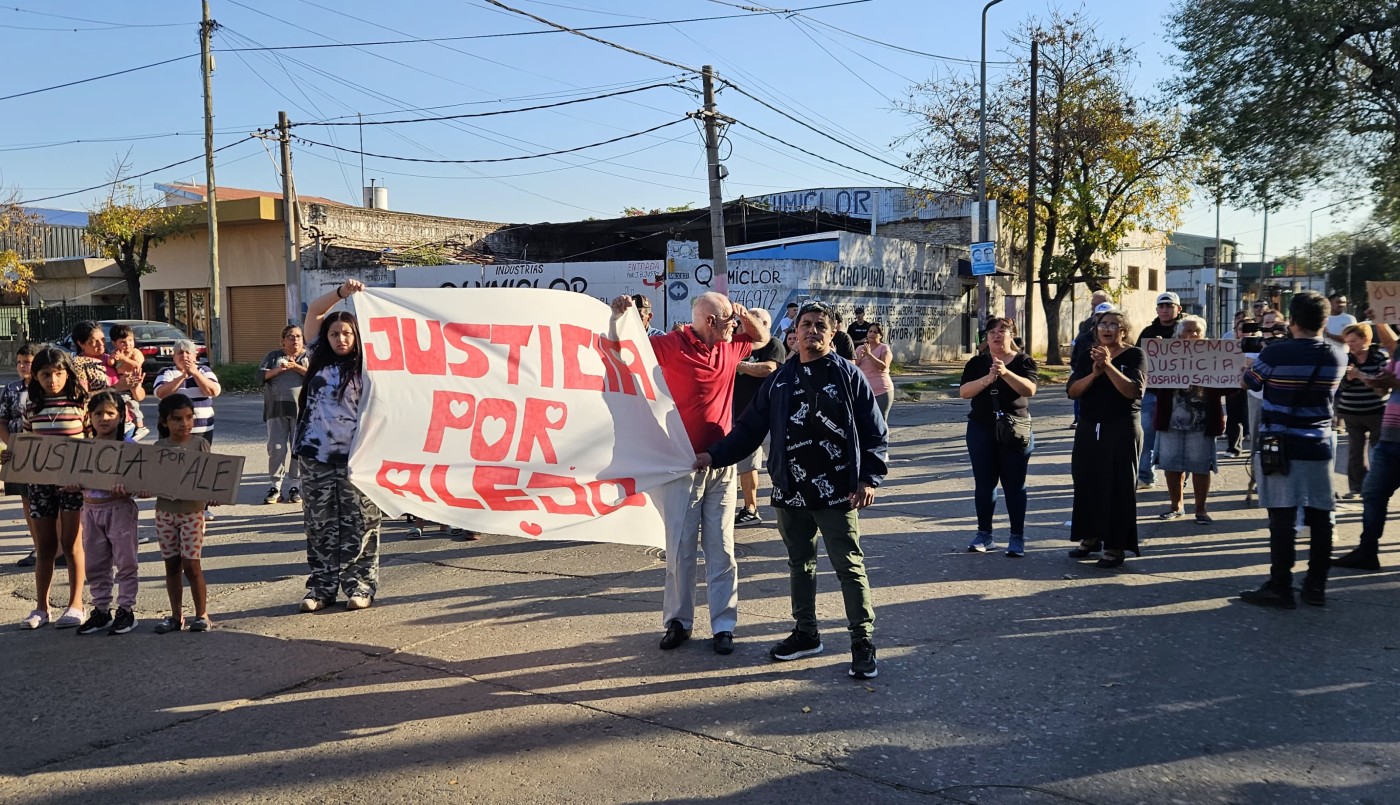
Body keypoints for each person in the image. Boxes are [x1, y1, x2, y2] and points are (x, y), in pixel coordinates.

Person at [695, 299, 889, 679]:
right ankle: (806, 633)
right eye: (805, 324)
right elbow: (749, 429)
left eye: (820, 325)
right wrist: (712, 456)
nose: (812, 330)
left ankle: (862, 643)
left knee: (848, 567)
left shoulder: (848, 376)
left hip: (837, 493)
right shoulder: (780, 379)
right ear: (794, 331)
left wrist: (869, 479)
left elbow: (874, 431)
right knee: (800, 565)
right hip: (790, 492)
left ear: (832, 334)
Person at [610, 290, 768, 656]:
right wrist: (622, 315)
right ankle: (678, 622)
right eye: (728, 319)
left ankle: (723, 625)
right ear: (710, 322)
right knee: (680, 549)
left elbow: (761, 337)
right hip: (682, 466)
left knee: (722, 548)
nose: (735, 325)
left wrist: (741, 314)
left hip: (722, 465)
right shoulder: (671, 345)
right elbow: (623, 350)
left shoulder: (733, 343)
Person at [1239, 291, 1345, 608]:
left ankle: (1281, 586)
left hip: (1279, 444)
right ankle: (1316, 586)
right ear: (1325, 321)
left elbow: (1250, 382)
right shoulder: (1337, 354)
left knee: (1282, 516)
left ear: (1292, 320)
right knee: (1321, 515)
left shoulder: (1276, 353)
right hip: (1319, 443)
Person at [295, 280, 382, 613]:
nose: (340, 338)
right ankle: (321, 587)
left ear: (356, 336)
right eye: (335, 334)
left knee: (360, 523)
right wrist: (342, 294)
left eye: (347, 333)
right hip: (315, 456)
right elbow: (316, 311)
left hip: (356, 458)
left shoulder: (370, 366)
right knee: (320, 524)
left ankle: (360, 585)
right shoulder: (317, 357)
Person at [15, 347, 89, 629]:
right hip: (41, 486)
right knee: (44, 546)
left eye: (58, 374)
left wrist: (83, 479)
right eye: (46, 374)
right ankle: (41, 608)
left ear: (67, 374)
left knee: (71, 544)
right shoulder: (31, 409)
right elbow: (26, 447)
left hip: (73, 486)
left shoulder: (81, 405)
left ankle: (76, 604)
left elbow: (95, 445)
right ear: (36, 376)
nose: (53, 380)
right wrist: (12, 457)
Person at [1066, 309, 1145, 568]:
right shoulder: (1088, 355)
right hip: (1090, 427)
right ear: (1096, 329)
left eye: (1114, 325)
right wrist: (1095, 372)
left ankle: (1115, 545)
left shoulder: (1135, 355)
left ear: (1123, 331)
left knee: (1118, 487)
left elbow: (1133, 391)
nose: (1108, 328)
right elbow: (1073, 391)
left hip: (1121, 428)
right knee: (1086, 481)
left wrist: (1109, 366)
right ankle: (1090, 537)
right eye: (1103, 324)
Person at [959, 316, 1037, 556]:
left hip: (1015, 428)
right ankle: (984, 534)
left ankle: (1017, 537)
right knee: (984, 484)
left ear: (1011, 335)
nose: (996, 335)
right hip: (981, 428)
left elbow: (1029, 389)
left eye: (1002, 330)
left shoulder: (1024, 361)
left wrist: (1004, 373)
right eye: (992, 331)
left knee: (1015, 485)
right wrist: (988, 378)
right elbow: (964, 392)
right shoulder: (976, 363)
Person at [1334, 318, 1400, 571]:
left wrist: (1384, 380)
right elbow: (1386, 386)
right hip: (1391, 437)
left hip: (1387, 432)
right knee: (1373, 493)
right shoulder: (1397, 350)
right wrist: (1377, 381)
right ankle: (1367, 552)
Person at [1152, 316, 1230, 524]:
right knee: (1171, 465)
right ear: (1178, 334)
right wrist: (1156, 357)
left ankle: (1201, 509)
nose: (1193, 335)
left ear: (1204, 335)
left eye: (1197, 331)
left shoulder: (1214, 356)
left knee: (1201, 466)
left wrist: (1237, 374)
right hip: (1171, 420)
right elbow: (1151, 382)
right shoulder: (1167, 354)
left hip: (1203, 422)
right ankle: (1176, 506)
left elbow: (1228, 388)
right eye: (1188, 331)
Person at [75, 391, 141, 636]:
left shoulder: (130, 448)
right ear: (89, 416)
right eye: (98, 413)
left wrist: (131, 487)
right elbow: (74, 476)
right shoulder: (82, 448)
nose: (104, 418)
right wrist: (74, 484)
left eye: (110, 413)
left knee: (125, 561)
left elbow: (142, 481)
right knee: (95, 563)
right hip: (90, 510)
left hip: (119, 509)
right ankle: (101, 610)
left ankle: (126, 610)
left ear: (121, 416)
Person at [151, 393, 215, 632]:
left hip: (192, 513)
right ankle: (176, 616)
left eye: (189, 418)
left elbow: (211, 477)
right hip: (165, 513)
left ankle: (202, 615)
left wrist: (215, 494)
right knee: (171, 565)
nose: (184, 424)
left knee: (192, 565)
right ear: (165, 421)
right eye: (177, 419)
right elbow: (151, 479)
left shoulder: (200, 444)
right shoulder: (158, 448)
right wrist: (146, 488)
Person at [732, 308, 785, 526]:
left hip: (771, 419)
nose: (747, 325)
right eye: (745, 321)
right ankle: (750, 508)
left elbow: (769, 368)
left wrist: (737, 365)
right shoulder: (736, 345)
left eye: (755, 321)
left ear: (765, 324)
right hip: (743, 418)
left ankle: (788, 505)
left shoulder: (773, 344)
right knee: (747, 467)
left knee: (779, 465)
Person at [1334, 323, 1388, 499]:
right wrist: (1348, 378)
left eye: (1354, 341)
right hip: (1351, 412)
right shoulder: (1345, 359)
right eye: (1348, 342)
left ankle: (1377, 486)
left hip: (1376, 411)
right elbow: (1339, 386)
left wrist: (1360, 375)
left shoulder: (1379, 357)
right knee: (1355, 452)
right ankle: (1357, 488)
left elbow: (1383, 386)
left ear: (1366, 339)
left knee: (1378, 451)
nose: (1351, 345)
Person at [258, 325, 309, 505]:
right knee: (277, 449)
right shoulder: (273, 357)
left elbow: (316, 376)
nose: (294, 340)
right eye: (290, 336)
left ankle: (295, 485)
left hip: (301, 412)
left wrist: (295, 367)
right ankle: (275, 486)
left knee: (297, 450)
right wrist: (279, 369)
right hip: (276, 410)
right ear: (283, 340)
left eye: (298, 336)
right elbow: (260, 376)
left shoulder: (307, 357)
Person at [1137, 292, 1182, 488]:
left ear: (1178, 309)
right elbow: (1137, 359)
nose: (1165, 310)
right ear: (1156, 310)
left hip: (1180, 394)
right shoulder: (1148, 332)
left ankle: (1182, 480)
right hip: (1152, 392)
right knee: (1147, 435)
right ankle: (1145, 476)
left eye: (1169, 306)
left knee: (1180, 436)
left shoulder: (1187, 329)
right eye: (1161, 306)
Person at [2, 343, 40, 568]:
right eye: (19, 362)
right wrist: (12, 446)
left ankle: (60, 548)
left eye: (28, 362)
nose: (23, 367)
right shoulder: (11, 389)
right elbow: (2, 420)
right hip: (18, 453)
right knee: (26, 500)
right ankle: (38, 547)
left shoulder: (46, 387)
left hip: (43, 452)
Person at [153, 340, 221, 444]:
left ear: (194, 356)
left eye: (188, 352)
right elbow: (161, 394)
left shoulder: (204, 370)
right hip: (172, 432)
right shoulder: (166, 372)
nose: (184, 356)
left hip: (201, 431)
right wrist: (183, 376)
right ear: (174, 357)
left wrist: (195, 373)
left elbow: (213, 391)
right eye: (180, 353)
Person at [1070, 296, 1113, 428]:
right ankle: (1078, 418)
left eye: (1108, 317)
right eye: (1099, 316)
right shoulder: (1084, 338)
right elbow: (1075, 359)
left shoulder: (1126, 343)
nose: (1103, 322)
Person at [106, 323, 148, 439]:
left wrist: (124, 359)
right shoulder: (116, 353)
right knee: (122, 404)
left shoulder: (135, 352)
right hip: (120, 383)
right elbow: (110, 364)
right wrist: (112, 358)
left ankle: (140, 426)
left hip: (132, 382)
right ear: (115, 343)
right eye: (123, 342)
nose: (128, 344)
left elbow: (137, 365)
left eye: (130, 340)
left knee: (133, 405)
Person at [855, 322, 894, 422]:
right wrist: (859, 358)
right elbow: (854, 368)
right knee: (864, 422)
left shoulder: (884, 348)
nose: (872, 334)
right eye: (870, 331)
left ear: (880, 335)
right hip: (864, 391)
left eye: (875, 332)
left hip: (882, 391)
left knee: (880, 421)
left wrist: (869, 355)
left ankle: (882, 438)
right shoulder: (860, 348)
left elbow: (883, 367)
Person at [1324, 293, 1356, 363]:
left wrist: (1328, 335)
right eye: (1338, 302)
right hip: (1324, 356)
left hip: (1343, 356)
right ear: (1329, 303)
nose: (1341, 305)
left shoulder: (1349, 319)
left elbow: (1348, 339)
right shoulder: (1322, 318)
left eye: (1344, 302)